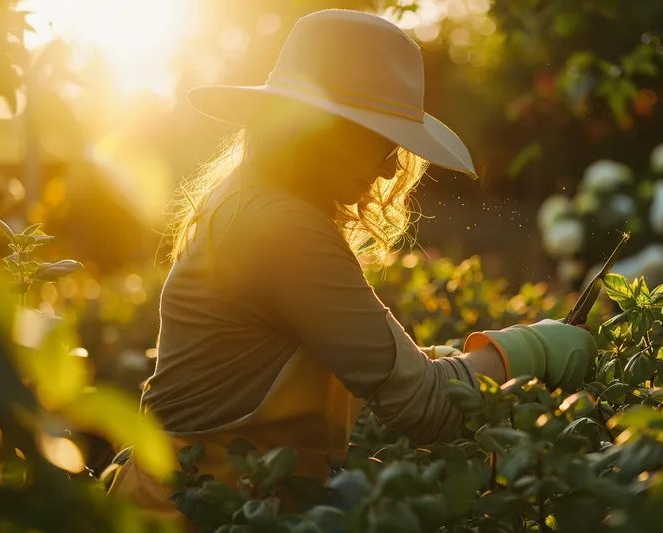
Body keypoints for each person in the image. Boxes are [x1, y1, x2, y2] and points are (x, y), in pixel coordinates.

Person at [106, 7, 597, 523]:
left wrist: (457, 360)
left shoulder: (252, 202)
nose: (391, 164)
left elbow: (355, 360)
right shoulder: (280, 229)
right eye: (378, 138)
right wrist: (533, 349)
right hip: (197, 516)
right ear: (319, 131)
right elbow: (426, 408)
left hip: (199, 504)